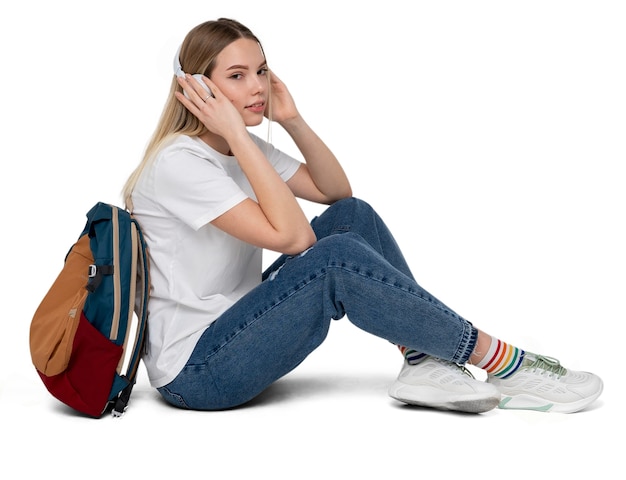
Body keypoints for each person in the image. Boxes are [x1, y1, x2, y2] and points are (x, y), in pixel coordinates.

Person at [122, 18, 603, 414]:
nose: (258, 87)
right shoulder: (179, 164)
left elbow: (335, 192)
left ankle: (425, 361)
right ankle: (505, 364)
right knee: (333, 258)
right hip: (200, 370)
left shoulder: (239, 149)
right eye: (237, 75)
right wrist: (243, 137)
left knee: (352, 217)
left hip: (241, 327)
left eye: (262, 71)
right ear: (196, 88)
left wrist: (292, 121)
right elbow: (292, 239)